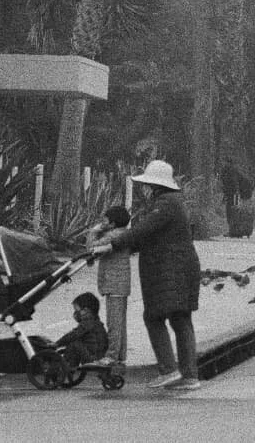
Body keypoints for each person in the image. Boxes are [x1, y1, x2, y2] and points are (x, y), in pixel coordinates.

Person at [96, 160, 201, 390]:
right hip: (181, 268)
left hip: (169, 270)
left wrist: (113, 244)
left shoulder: (164, 204)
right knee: (181, 319)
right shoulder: (173, 203)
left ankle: (168, 369)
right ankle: (189, 376)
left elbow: (143, 231)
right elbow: (149, 236)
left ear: (154, 185)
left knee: (154, 318)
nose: (145, 189)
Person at [86, 206, 132, 368]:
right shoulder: (121, 233)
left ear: (113, 223)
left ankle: (112, 355)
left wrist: (93, 231)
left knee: (114, 323)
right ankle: (119, 355)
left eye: (105, 220)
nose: (102, 223)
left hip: (114, 284)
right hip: (119, 284)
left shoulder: (114, 235)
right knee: (119, 322)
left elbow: (91, 249)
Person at [54, 293, 109, 368]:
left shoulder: (87, 323)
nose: (75, 314)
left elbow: (73, 335)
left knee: (74, 343)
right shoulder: (96, 321)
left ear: (86, 310)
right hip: (100, 355)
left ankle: (64, 366)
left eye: (77, 310)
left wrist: (57, 344)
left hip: (93, 357)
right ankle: (70, 366)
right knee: (78, 342)